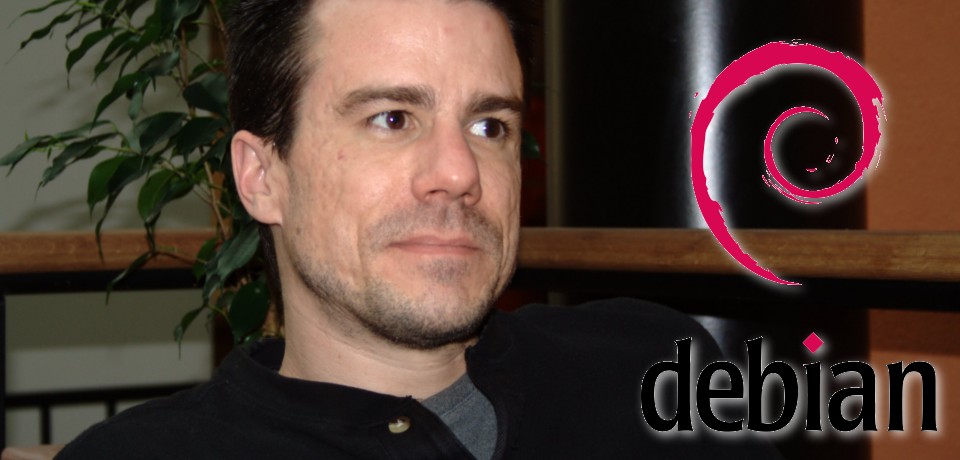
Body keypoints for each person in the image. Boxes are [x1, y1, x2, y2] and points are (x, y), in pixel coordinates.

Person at [57, 0, 781, 458]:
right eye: (392, 118)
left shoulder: (648, 364)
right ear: (262, 176)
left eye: (489, 125)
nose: (459, 172)